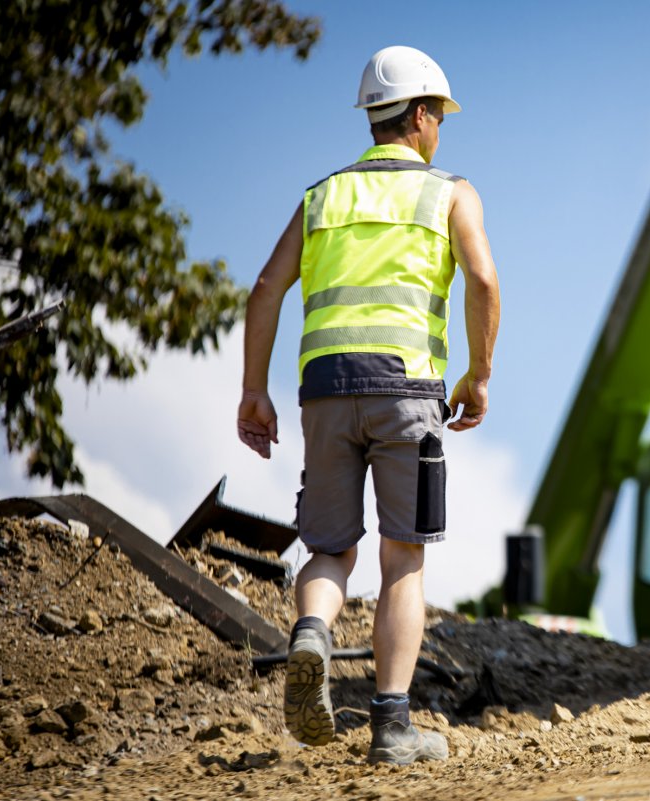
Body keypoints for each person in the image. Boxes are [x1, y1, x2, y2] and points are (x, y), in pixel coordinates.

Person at [236, 45, 500, 765]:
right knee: (403, 558)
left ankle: (312, 637)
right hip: (407, 390)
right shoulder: (451, 192)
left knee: (328, 548)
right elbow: (481, 276)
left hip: (324, 390)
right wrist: (478, 374)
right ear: (418, 115)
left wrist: (253, 390)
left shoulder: (322, 195)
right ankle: (391, 725)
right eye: (439, 115)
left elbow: (265, 288)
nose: (441, 128)